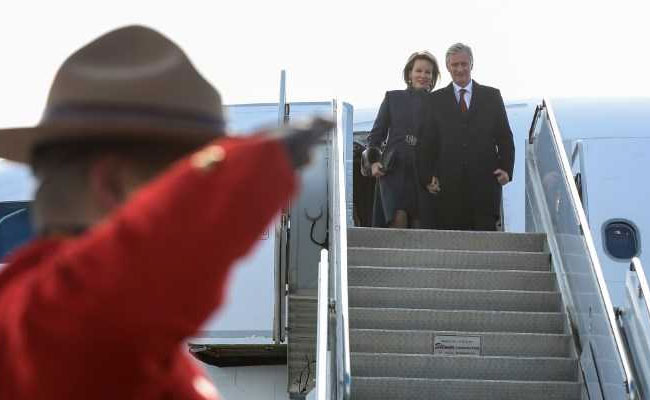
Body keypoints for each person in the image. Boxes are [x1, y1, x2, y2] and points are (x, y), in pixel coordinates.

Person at [0, 26, 332, 400]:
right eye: (192, 174)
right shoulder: (61, 321)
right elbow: (120, 281)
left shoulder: (36, 314)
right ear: (111, 184)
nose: (200, 187)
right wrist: (252, 169)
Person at [423, 43, 514, 231]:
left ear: (472, 64)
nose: (460, 69)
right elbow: (427, 143)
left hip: (485, 186)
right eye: (455, 65)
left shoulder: (492, 96)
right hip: (448, 188)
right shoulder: (434, 100)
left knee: (485, 247)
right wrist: (427, 176)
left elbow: (504, 136)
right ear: (448, 67)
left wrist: (506, 168)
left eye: (464, 64)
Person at [364, 51, 441, 228]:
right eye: (418, 71)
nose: (423, 75)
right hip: (393, 170)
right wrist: (374, 162)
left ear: (433, 77)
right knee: (397, 220)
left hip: (423, 174)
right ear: (409, 74)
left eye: (428, 72)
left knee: (420, 228)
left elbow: (440, 144)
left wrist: (435, 175)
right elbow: (376, 135)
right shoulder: (393, 97)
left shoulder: (438, 103)